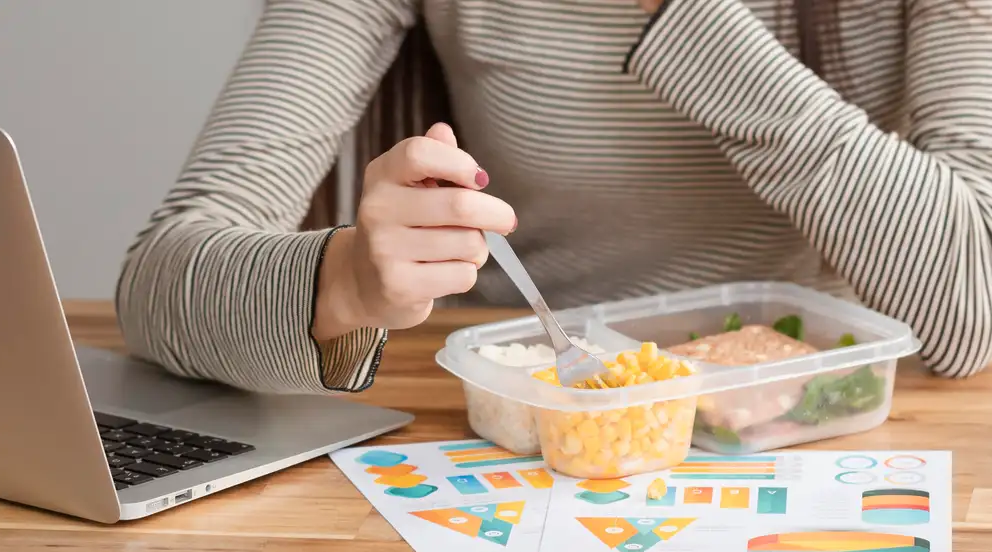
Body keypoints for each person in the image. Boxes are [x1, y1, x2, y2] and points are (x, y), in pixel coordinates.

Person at [116, 0, 992, 394]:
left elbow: (973, 309)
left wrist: (689, 19)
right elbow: (160, 282)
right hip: (517, 421)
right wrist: (346, 277)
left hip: (800, 421)